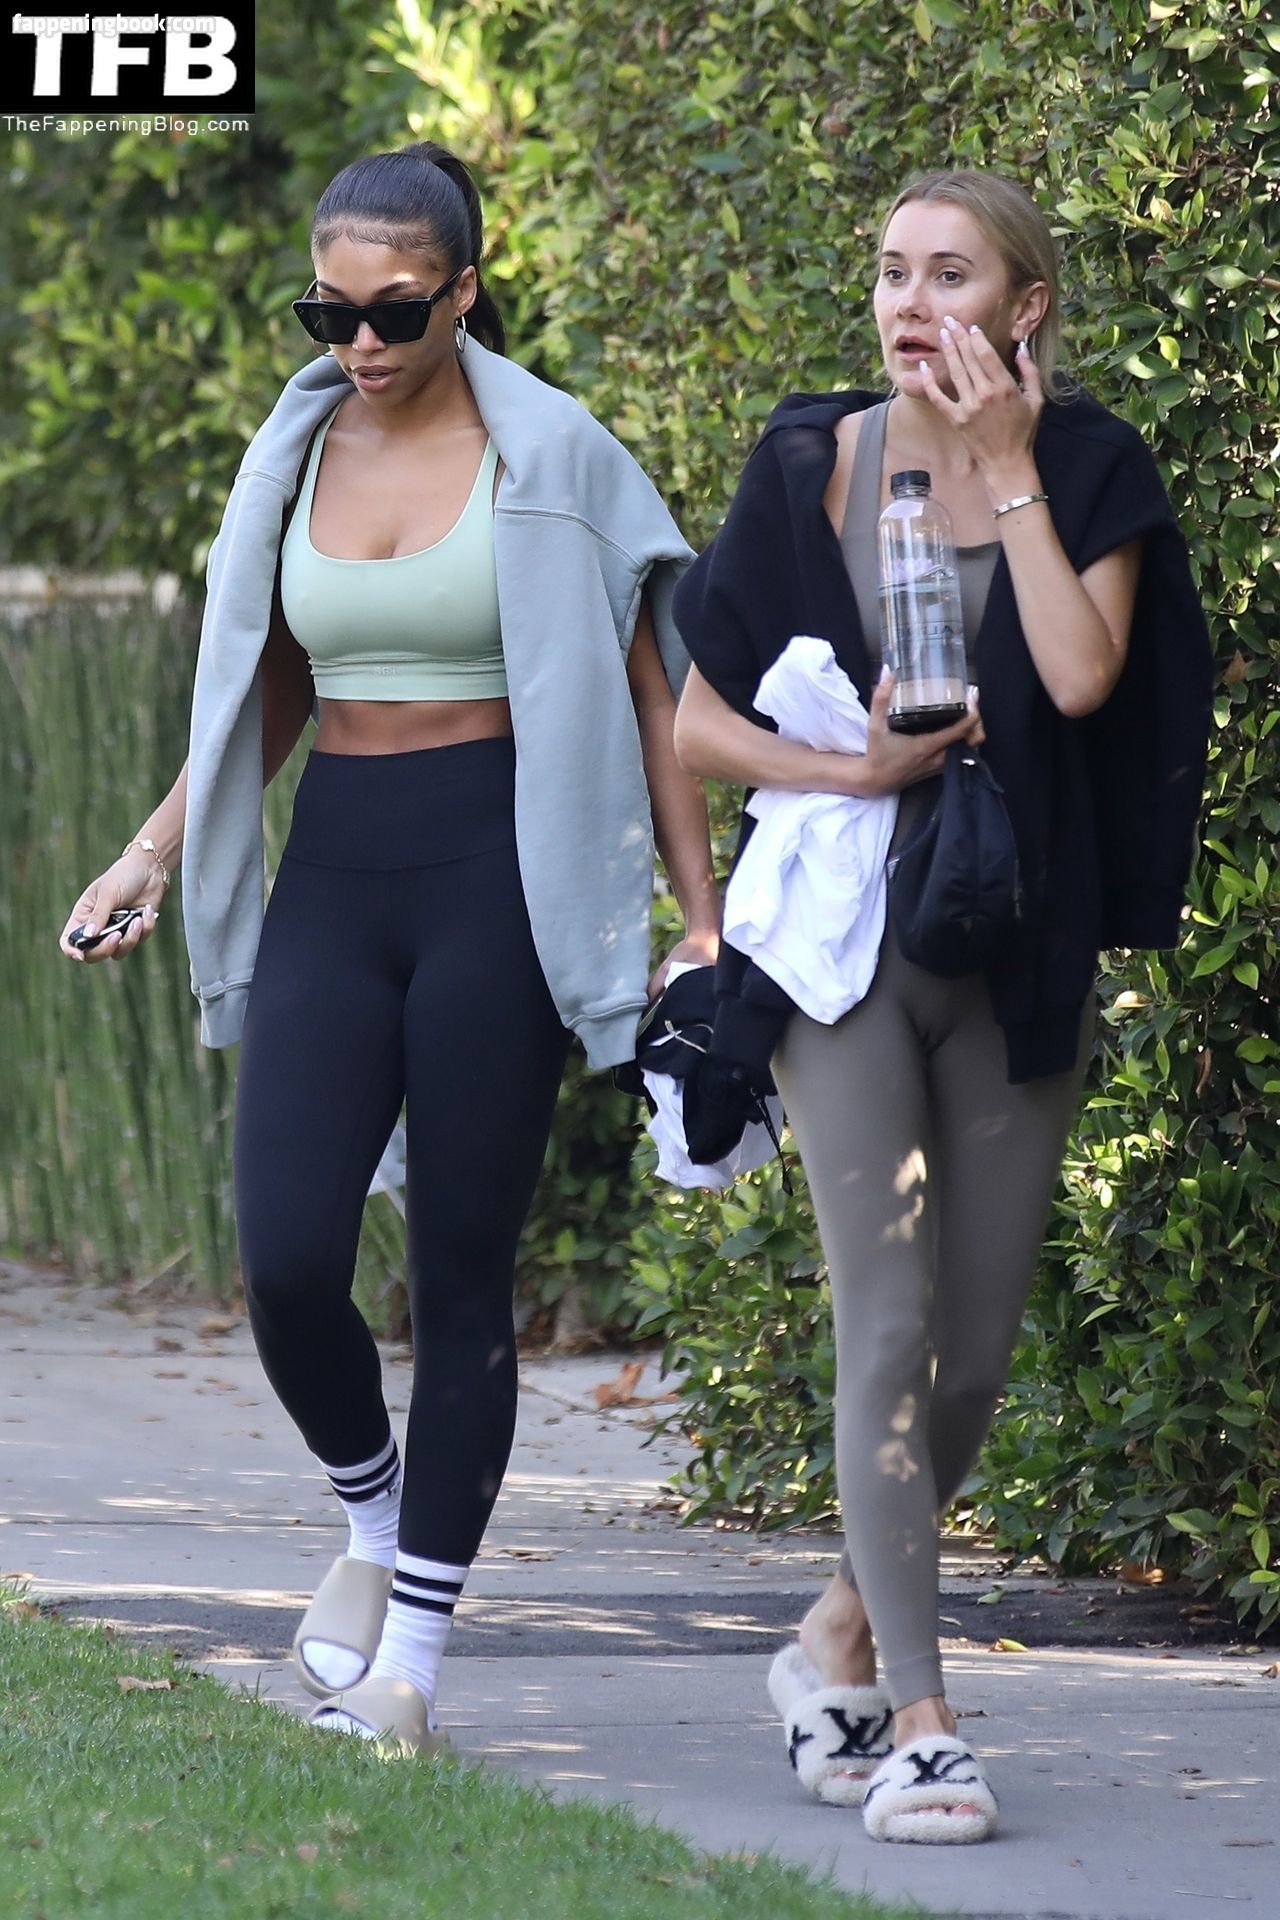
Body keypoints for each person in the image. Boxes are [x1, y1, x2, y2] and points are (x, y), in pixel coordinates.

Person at [59, 140, 719, 1753]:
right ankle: (370, 1510)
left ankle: (410, 1664)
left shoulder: (553, 453)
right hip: (338, 873)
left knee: (460, 1277)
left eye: (396, 311)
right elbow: (271, 680)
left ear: (464, 292)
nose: (360, 342)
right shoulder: (292, 452)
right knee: (286, 1258)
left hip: (499, 874)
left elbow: (652, 692)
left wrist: (699, 924)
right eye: (330, 311)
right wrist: (153, 848)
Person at [671, 168, 1211, 1842]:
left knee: (972, 1355)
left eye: (951, 275)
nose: (912, 303)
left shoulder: (1094, 467)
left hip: (1021, 949)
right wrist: (853, 767)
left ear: (1023, 307)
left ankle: (836, 1637)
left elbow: (1081, 676)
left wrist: (1006, 468)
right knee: (887, 1323)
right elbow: (698, 724)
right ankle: (922, 1722)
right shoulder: (809, 462)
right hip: (846, 950)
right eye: (893, 271)